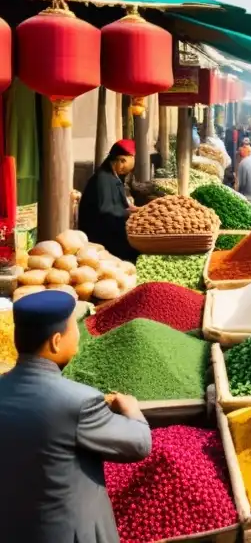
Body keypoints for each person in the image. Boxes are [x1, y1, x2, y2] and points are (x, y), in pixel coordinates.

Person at [0, 291, 152, 542]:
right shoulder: (78, 401)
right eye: (74, 328)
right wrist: (131, 409)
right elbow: (139, 444)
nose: (80, 335)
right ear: (56, 341)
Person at [78, 139, 139, 262]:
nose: (126, 172)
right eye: (126, 168)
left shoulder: (114, 176)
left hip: (111, 229)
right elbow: (105, 210)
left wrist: (130, 208)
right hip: (101, 236)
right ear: (120, 161)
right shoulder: (102, 179)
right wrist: (127, 212)